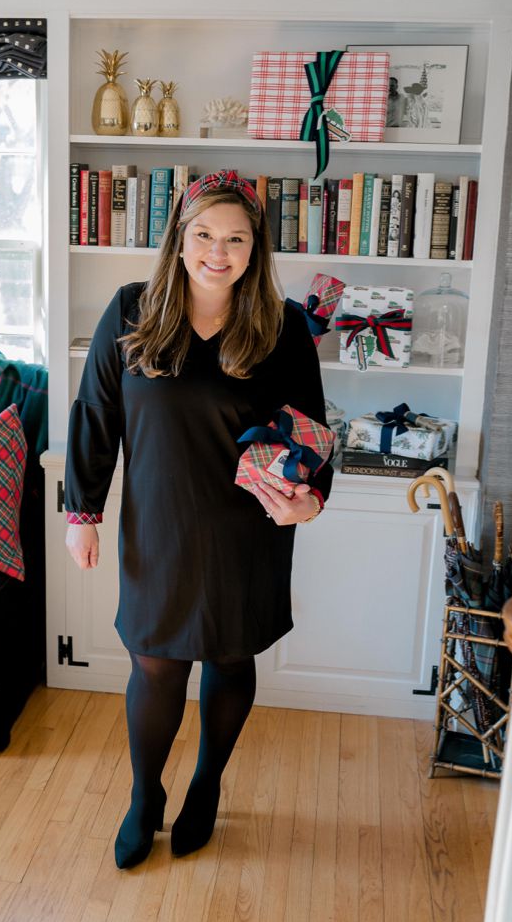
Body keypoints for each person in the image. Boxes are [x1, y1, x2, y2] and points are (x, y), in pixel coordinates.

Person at [64, 170, 334, 869]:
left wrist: (310, 499)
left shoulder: (281, 329)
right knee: (154, 666)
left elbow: (313, 433)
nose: (220, 251)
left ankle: (207, 785)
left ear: (255, 248)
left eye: (236, 239)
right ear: (180, 239)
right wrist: (81, 513)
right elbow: (95, 417)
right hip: (157, 529)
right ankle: (144, 795)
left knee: (230, 657)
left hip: (247, 532)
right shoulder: (130, 311)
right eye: (206, 234)